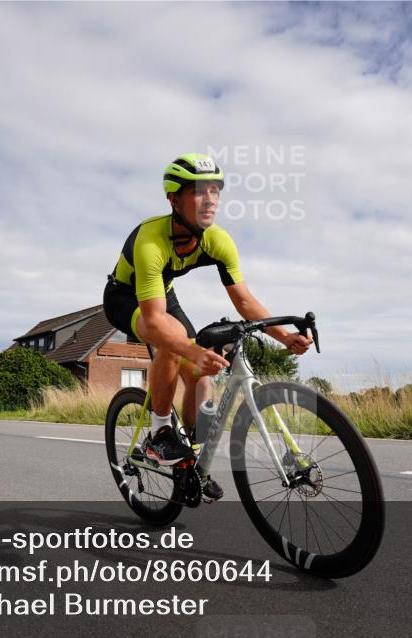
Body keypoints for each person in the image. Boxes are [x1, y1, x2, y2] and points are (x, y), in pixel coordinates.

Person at [103, 152, 312, 499]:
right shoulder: (150, 239)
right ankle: (158, 434)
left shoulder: (217, 240)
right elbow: (154, 320)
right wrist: (189, 348)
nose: (211, 199)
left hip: (163, 294)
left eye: (216, 190)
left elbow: (244, 301)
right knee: (176, 342)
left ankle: (190, 463)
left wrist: (284, 337)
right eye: (200, 191)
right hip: (124, 297)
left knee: (200, 377)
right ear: (174, 198)